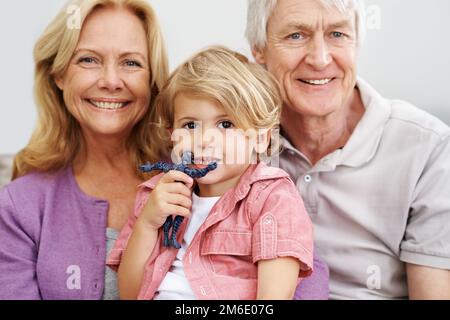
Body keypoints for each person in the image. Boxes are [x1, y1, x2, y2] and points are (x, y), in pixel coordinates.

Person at [246, 0, 450, 299]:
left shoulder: (428, 147)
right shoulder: (232, 139)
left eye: (337, 34)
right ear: (258, 48)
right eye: (296, 36)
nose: (319, 58)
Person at [107, 46, 318, 300]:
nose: (204, 139)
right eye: (190, 125)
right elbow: (130, 295)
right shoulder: (157, 195)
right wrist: (148, 224)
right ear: (171, 134)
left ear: (261, 138)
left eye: (226, 124)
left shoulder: (272, 199)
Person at [0, 0, 168, 299]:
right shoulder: (18, 206)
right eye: (89, 60)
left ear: (152, 79)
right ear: (59, 74)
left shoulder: (199, 182)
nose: (111, 81)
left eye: (131, 63)